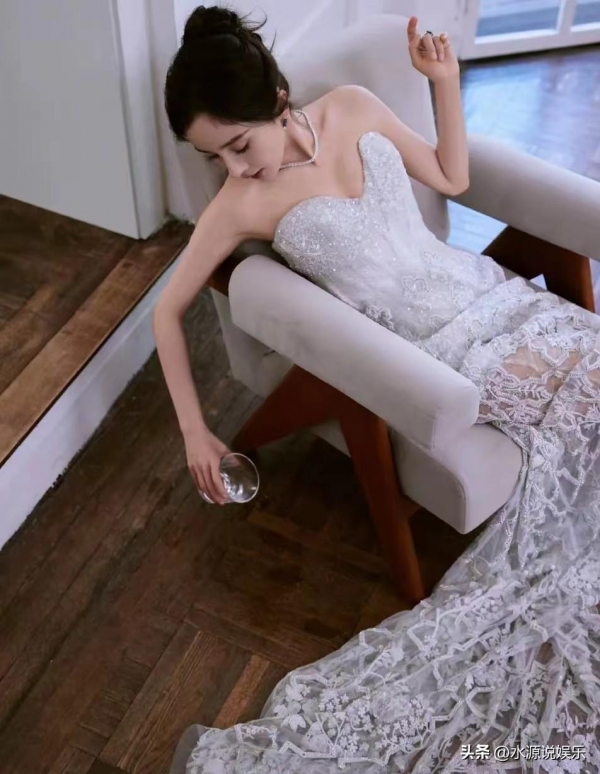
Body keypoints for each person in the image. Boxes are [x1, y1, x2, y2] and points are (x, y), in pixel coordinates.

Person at [156, 5, 600, 773]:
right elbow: (166, 311)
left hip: (491, 292)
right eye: (213, 156)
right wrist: (195, 430)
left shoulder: (354, 108)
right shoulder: (241, 205)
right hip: (440, 353)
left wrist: (444, 81)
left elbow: (452, 177)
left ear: (276, 100)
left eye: (238, 144)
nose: (232, 168)